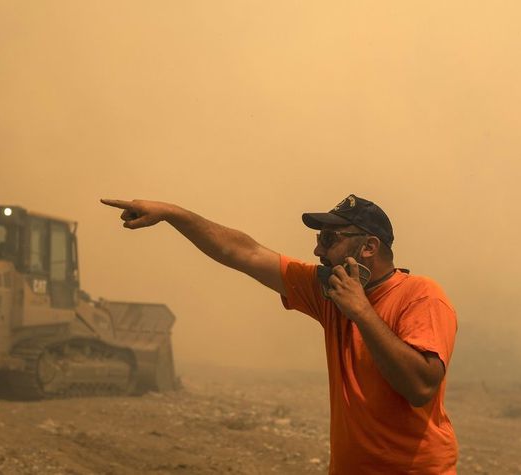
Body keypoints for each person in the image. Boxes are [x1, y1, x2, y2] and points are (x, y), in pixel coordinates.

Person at [101, 194, 458, 474]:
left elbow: (420, 387)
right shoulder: (330, 291)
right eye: (319, 238)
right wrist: (173, 213)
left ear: (368, 248)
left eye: (330, 238)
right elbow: (244, 252)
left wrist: (361, 311)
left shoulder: (421, 295)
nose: (318, 249)